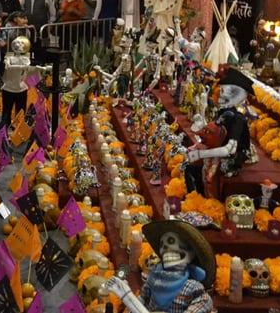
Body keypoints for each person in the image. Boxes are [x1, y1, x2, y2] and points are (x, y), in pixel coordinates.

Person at [107, 220, 216, 313]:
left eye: (171, 241)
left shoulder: (194, 288)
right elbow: (140, 301)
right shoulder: (153, 280)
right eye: (162, 245)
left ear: (191, 252)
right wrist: (129, 300)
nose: (165, 249)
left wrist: (128, 297)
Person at [185, 68, 253, 199]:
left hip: (231, 157)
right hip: (217, 150)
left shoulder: (237, 119)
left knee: (198, 169)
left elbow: (230, 150)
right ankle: (196, 199)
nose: (220, 96)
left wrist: (201, 153)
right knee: (190, 167)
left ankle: (204, 200)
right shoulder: (222, 113)